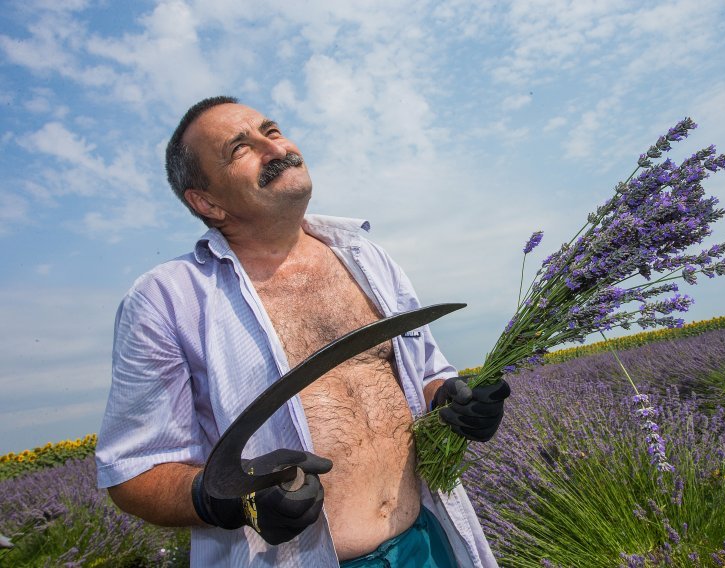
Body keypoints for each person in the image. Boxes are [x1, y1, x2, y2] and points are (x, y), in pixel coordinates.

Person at [95, 96, 510, 567]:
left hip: (427, 544)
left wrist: (450, 400)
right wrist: (229, 502)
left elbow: (427, 373)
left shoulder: (366, 259)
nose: (274, 149)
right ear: (206, 201)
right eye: (240, 149)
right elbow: (133, 472)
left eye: (271, 131)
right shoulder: (166, 300)